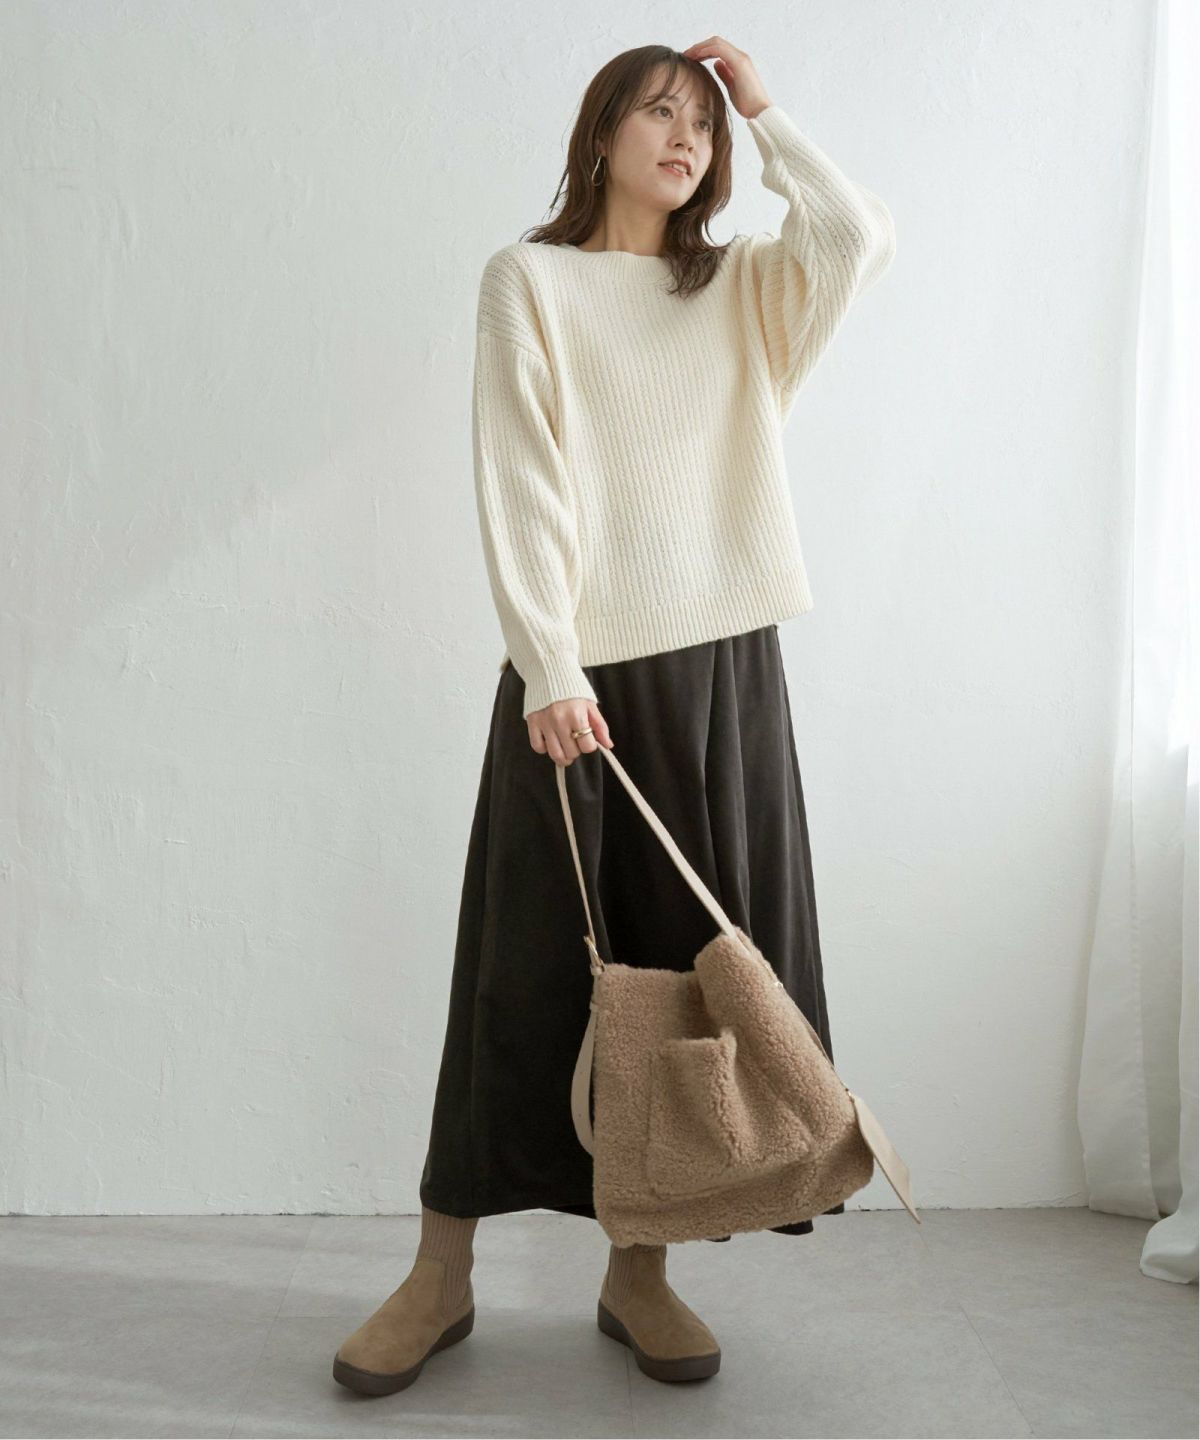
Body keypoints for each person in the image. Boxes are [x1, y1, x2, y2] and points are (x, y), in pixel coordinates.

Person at [332, 35, 896, 1396]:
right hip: (578, 681)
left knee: (687, 986)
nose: (688, 134)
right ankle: (442, 1270)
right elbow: (520, 471)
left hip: (724, 676)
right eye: (660, 110)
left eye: (705, 120)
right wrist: (550, 663)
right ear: (600, 133)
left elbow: (857, 235)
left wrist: (765, 106)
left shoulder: (746, 289)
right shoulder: (528, 281)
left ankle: (639, 1268)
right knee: (522, 975)